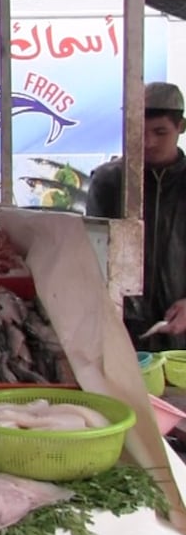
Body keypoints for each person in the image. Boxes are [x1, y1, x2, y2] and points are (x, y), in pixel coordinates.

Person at [86, 82, 186, 350]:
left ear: (181, 127)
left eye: (160, 132)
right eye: (138, 131)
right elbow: (94, 252)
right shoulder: (108, 181)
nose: (148, 142)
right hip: (119, 324)